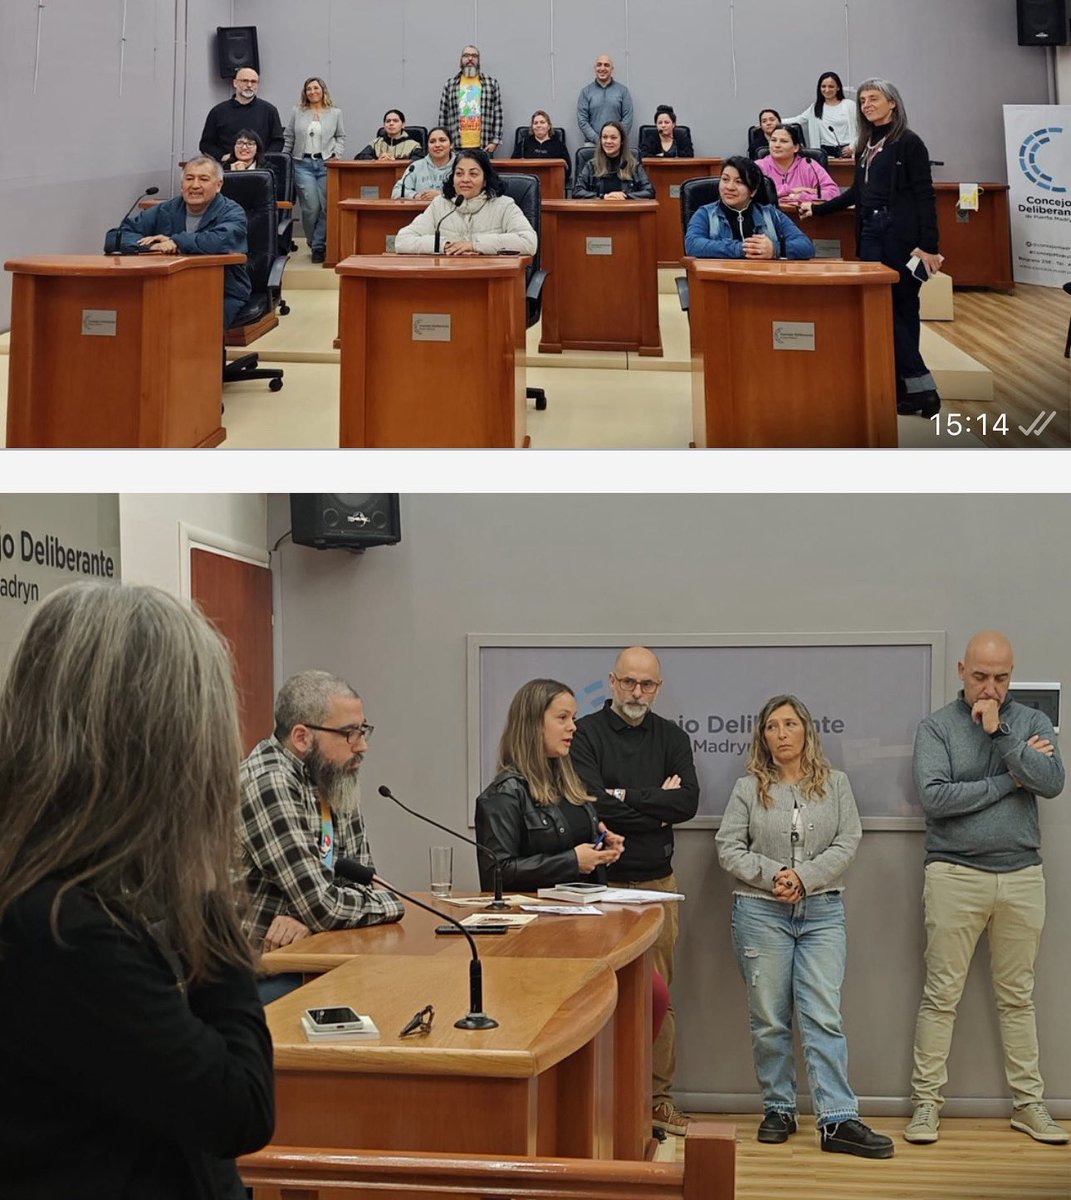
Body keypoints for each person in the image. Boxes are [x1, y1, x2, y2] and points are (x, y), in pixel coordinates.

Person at [0, 582, 274, 1200]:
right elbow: (241, 1107)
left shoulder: (65, 888)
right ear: (166, 749)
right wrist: (205, 885)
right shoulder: (60, 928)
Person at [715, 694, 895, 1160]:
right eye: (771, 726)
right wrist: (774, 875)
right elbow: (728, 848)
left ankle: (837, 1120)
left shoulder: (836, 784)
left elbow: (848, 839)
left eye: (789, 724)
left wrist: (805, 878)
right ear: (763, 737)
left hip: (822, 913)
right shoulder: (747, 788)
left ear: (806, 731)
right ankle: (779, 1108)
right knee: (770, 1018)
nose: (780, 734)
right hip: (760, 913)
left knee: (823, 1015)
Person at [906, 631, 1068, 1147]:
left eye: (1001, 678)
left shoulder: (1032, 722)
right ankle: (926, 1105)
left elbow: (1051, 781)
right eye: (980, 677)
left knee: (1018, 998)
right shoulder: (936, 728)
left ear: (1012, 675)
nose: (990, 689)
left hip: (1022, 876)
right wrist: (1009, 778)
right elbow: (936, 798)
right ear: (960, 670)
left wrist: (1002, 738)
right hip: (954, 874)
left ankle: (1029, 1105)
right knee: (941, 996)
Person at [474, 678, 670, 1039]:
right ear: (533, 723)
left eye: (574, 717)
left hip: (588, 921)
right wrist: (572, 860)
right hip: (540, 937)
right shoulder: (505, 793)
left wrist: (603, 842)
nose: (573, 727)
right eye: (563, 718)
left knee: (653, 995)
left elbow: (579, 836)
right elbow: (496, 873)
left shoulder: (568, 780)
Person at [571, 647, 698, 1139]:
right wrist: (654, 802)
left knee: (659, 996)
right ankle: (598, 1101)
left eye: (646, 685)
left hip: (657, 886)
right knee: (591, 996)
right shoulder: (584, 733)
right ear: (611, 681)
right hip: (595, 888)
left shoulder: (671, 736)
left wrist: (622, 798)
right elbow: (588, 803)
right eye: (628, 683)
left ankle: (658, 1102)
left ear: (659, 688)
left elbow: (686, 801)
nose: (637, 693)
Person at [239, 670, 404, 1003]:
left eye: (363, 730)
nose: (363, 746)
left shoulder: (333, 777)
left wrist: (310, 920)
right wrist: (391, 903)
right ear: (302, 737)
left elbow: (358, 883)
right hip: (249, 977)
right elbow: (326, 905)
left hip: (312, 956)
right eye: (349, 734)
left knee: (396, 994)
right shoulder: (268, 781)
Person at [799, 79, 943, 416]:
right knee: (886, 313)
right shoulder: (866, 143)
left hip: (901, 239)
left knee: (899, 311)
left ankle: (923, 389)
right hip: (871, 236)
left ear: (892, 103)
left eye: (873, 98)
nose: (866, 105)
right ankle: (901, 389)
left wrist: (929, 246)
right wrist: (819, 208)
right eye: (862, 100)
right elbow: (857, 194)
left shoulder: (909, 143)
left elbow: (925, 195)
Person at [106, 156, 250, 328]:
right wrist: (153, 247)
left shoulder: (233, 212)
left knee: (194, 330)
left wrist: (175, 241)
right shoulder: (166, 209)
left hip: (220, 291)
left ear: (218, 185)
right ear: (182, 185)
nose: (195, 185)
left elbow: (217, 242)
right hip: (168, 288)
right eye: (189, 179)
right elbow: (114, 238)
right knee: (130, 318)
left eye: (203, 179)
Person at [394, 148, 537, 256]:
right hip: (448, 279)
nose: (465, 179)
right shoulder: (441, 204)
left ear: (485, 180)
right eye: (459, 173)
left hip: (490, 280)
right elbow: (402, 241)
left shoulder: (504, 205)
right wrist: (445, 245)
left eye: (473, 174)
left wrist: (475, 245)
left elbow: (529, 242)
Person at [684, 156, 815, 260]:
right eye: (725, 179)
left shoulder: (771, 214)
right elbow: (693, 245)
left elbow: (806, 246)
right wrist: (745, 249)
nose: (729, 187)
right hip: (721, 284)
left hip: (765, 283)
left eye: (739, 182)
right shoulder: (705, 214)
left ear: (752, 191)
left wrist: (775, 250)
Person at [282, 76, 346, 263]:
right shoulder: (298, 111)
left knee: (327, 207)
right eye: (309, 89)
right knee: (311, 207)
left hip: (326, 164)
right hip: (302, 165)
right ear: (305, 93)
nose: (312, 92)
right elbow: (289, 136)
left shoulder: (335, 113)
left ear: (323, 90)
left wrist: (337, 154)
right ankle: (313, 240)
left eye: (316, 88)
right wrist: (283, 158)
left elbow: (340, 136)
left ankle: (318, 246)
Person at [200, 65, 284, 163]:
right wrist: (222, 156)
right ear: (235, 83)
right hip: (227, 168)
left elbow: (278, 141)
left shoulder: (270, 110)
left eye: (253, 82)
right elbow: (206, 144)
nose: (249, 85)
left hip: (260, 169)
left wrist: (262, 159)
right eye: (244, 81)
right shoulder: (218, 111)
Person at [438, 45, 503, 156]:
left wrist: (495, 141)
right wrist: (445, 143)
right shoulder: (450, 84)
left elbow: (498, 114)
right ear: (460, 60)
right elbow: (443, 116)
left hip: (484, 146)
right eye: (466, 55)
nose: (470, 59)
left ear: (479, 60)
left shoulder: (491, 83)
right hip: (457, 147)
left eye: (474, 56)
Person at [756, 125, 840, 203]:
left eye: (784, 141)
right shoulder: (759, 166)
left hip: (805, 216)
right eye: (773, 140)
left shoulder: (809, 165)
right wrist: (790, 190)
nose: (777, 145)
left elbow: (833, 192)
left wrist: (802, 196)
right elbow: (754, 193)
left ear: (796, 148)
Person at [571, 122, 654, 200]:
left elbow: (649, 192)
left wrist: (625, 196)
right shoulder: (591, 165)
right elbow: (577, 191)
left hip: (626, 212)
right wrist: (603, 196)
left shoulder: (633, 165)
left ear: (622, 141)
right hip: (597, 212)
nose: (608, 141)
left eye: (613, 138)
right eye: (604, 137)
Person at [786, 72, 858, 158]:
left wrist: (852, 147)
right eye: (823, 86)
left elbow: (861, 129)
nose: (827, 90)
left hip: (846, 150)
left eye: (831, 86)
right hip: (824, 152)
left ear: (838, 88)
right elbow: (799, 119)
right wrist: (776, 121)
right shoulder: (815, 107)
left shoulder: (849, 105)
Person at [578, 53, 634, 144]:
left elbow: (628, 119)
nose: (602, 68)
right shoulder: (585, 92)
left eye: (606, 65)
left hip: (616, 144)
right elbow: (582, 121)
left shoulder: (623, 91)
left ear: (612, 69)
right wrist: (598, 140)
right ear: (595, 68)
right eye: (599, 65)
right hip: (592, 144)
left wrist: (615, 138)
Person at [393, 126, 457, 199]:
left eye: (442, 140)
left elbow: (470, 193)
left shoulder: (460, 165)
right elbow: (396, 192)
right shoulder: (415, 167)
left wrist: (442, 195)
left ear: (451, 145)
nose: (437, 145)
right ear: (427, 146)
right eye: (432, 141)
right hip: (422, 209)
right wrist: (415, 196)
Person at [515, 110, 572, 183]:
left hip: (551, 183)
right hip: (527, 183)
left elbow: (567, 169)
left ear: (549, 126)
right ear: (532, 127)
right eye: (535, 123)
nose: (539, 125)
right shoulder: (524, 143)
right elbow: (514, 166)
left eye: (542, 122)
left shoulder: (558, 145)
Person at [355, 109, 424, 162]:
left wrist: (394, 161)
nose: (391, 123)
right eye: (388, 121)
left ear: (403, 125)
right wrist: (377, 160)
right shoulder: (376, 143)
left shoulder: (413, 145)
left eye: (395, 121)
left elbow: (419, 163)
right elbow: (359, 157)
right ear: (384, 125)